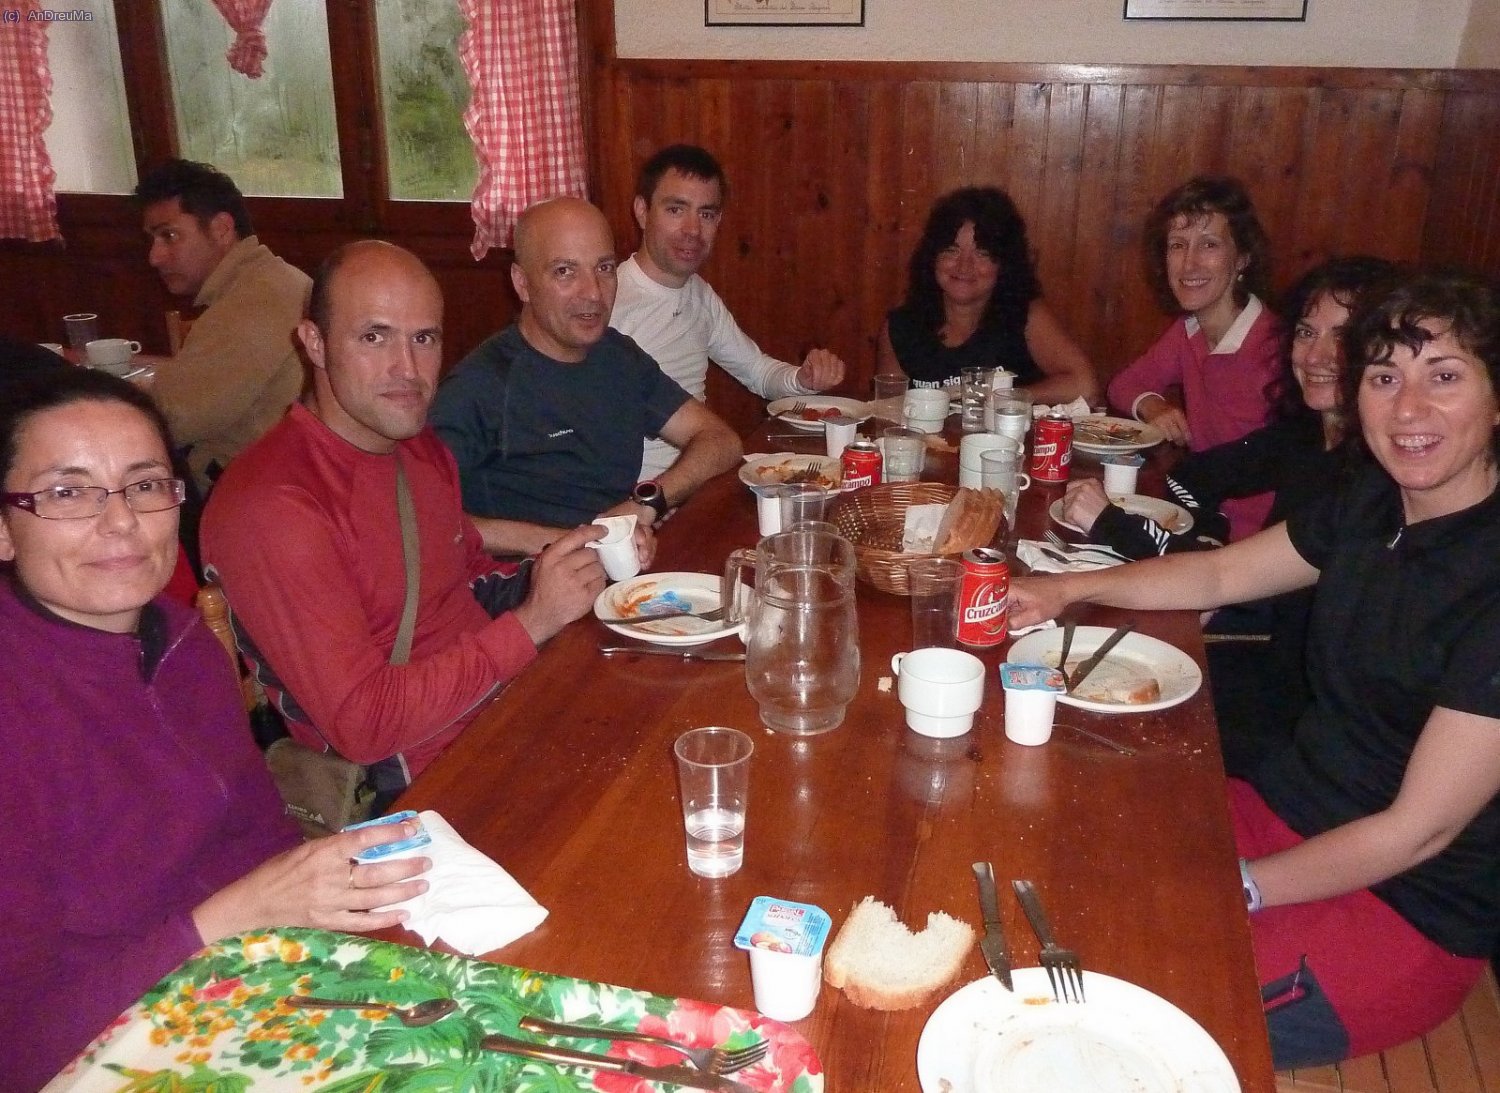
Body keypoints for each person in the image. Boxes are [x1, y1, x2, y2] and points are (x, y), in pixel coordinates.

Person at [1010, 269, 1500, 1068]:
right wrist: (1063, 587)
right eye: (1385, 377)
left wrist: (1240, 884)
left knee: (1113, 1015)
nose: (1408, 409)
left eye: (1444, 376)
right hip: (1284, 808)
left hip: (1401, 908)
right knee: (1064, 854)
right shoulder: (1370, 504)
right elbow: (1220, 575)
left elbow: (1422, 830)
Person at [0, 366, 430, 1092]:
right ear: (5, 531)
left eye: (143, 484)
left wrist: (322, 896)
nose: (120, 522)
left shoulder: (183, 640)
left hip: (248, 989)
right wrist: (232, 916)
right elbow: (18, 1046)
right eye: (68, 492)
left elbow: (259, 833)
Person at [201, 241, 606, 792]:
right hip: (418, 785)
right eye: (374, 337)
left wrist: (561, 570)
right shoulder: (273, 508)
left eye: (424, 338)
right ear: (314, 343)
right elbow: (364, 727)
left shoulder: (418, 448)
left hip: (506, 713)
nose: (408, 369)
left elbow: (466, 581)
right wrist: (534, 622)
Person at [1062, 257, 1396, 776]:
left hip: (1300, 714)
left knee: (1102, 731)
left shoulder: (1372, 479)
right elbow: (1196, 478)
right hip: (1268, 664)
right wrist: (1204, 541)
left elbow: (1247, 588)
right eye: (1306, 332)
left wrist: (1118, 529)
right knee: (1076, 683)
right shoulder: (1306, 435)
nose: (1318, 354)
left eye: (1344, 336)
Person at [431, 196, 743, 554]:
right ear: (522, 283)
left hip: (620, 571)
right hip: (526, 586)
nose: (593, 293)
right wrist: (567, 543)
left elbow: (720, 440)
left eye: (604, 268)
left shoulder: (619, 356)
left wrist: (646, 503)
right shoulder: (481, 386)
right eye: (565, 271)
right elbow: (418, 517)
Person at [612, 144, 846, 480]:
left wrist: (802, 379)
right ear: (642, 211)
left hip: (697, 483)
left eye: (706, 214)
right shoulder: (609, 300)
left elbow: (755, 370)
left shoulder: (698, 293)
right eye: (676, 210)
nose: (693, 230)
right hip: (639, 496)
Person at [1106, 176, 1281, 541]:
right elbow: (1123, 385)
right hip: (1198, 515)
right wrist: (1153, 406)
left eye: (1209, 244)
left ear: (1242, 259)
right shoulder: (1188, 331)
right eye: (1178, 245)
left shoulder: (1276, 347)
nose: (1189, 263)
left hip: (1253, 541)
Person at [132, 159, 312, 495]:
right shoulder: (269, 279)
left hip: (249, 495)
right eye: (152, 240)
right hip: (274, 478)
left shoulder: (254, 301)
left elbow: (171, 420)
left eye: (169, 236)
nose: (154, 257)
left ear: (222, 229)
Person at [875, 186, 1098, 404]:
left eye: (982, 253)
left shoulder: (1024, 316)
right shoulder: (901, 327)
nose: (964, 266)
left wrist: (1002, 398)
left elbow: (1085, 386)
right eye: (951, 251)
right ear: (932, 257)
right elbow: (888, 411)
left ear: (1003, 263)